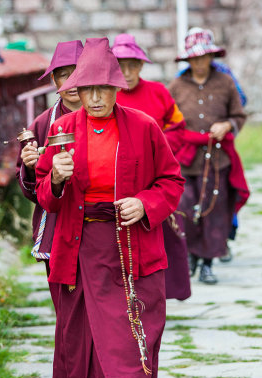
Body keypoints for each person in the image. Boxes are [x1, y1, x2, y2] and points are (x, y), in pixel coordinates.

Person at [35, 37, 184, 378]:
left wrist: (145, 202)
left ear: (118, 90)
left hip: (132, 247)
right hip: (80, 250)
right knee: (89, 346)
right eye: (87, 90)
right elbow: (46, 198)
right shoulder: (61, 130)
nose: (96, 98)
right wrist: (57, 180)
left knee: (132, 340)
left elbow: (171, 181)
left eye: (104, 89)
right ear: (76, 92)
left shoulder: (143, 126)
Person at [112, 33, 191, 302]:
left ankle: (164, 295)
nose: (127, 72)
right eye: (120, 65)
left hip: (158, 179)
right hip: (119, 181)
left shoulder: (158, 92)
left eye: (133, 64)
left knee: (169, 238)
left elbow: (178, 127)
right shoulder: (106, 98)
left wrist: (155, 153)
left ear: (141, 66)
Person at [168, 28, 250, 284]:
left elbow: (238, 115)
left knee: (213, 212)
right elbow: (168, 122)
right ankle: (191, 254)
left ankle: (207, 263)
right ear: (188, 60)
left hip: (217, 160)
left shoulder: (225, 83)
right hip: (186, 159)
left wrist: (227, 126)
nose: (199, 63)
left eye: (204, 57)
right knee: (185, 209)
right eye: (194, 58)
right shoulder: (176, 86)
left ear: (212, 57)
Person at [15, 40, 83, 303]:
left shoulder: (108, 115)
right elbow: (31, 190)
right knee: (66, 302)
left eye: (77, 72)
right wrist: (31, 168)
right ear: (54, 80)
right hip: (57, 220)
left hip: (99, 218)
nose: (71, 82)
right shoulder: (42, 124)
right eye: (63, 75)